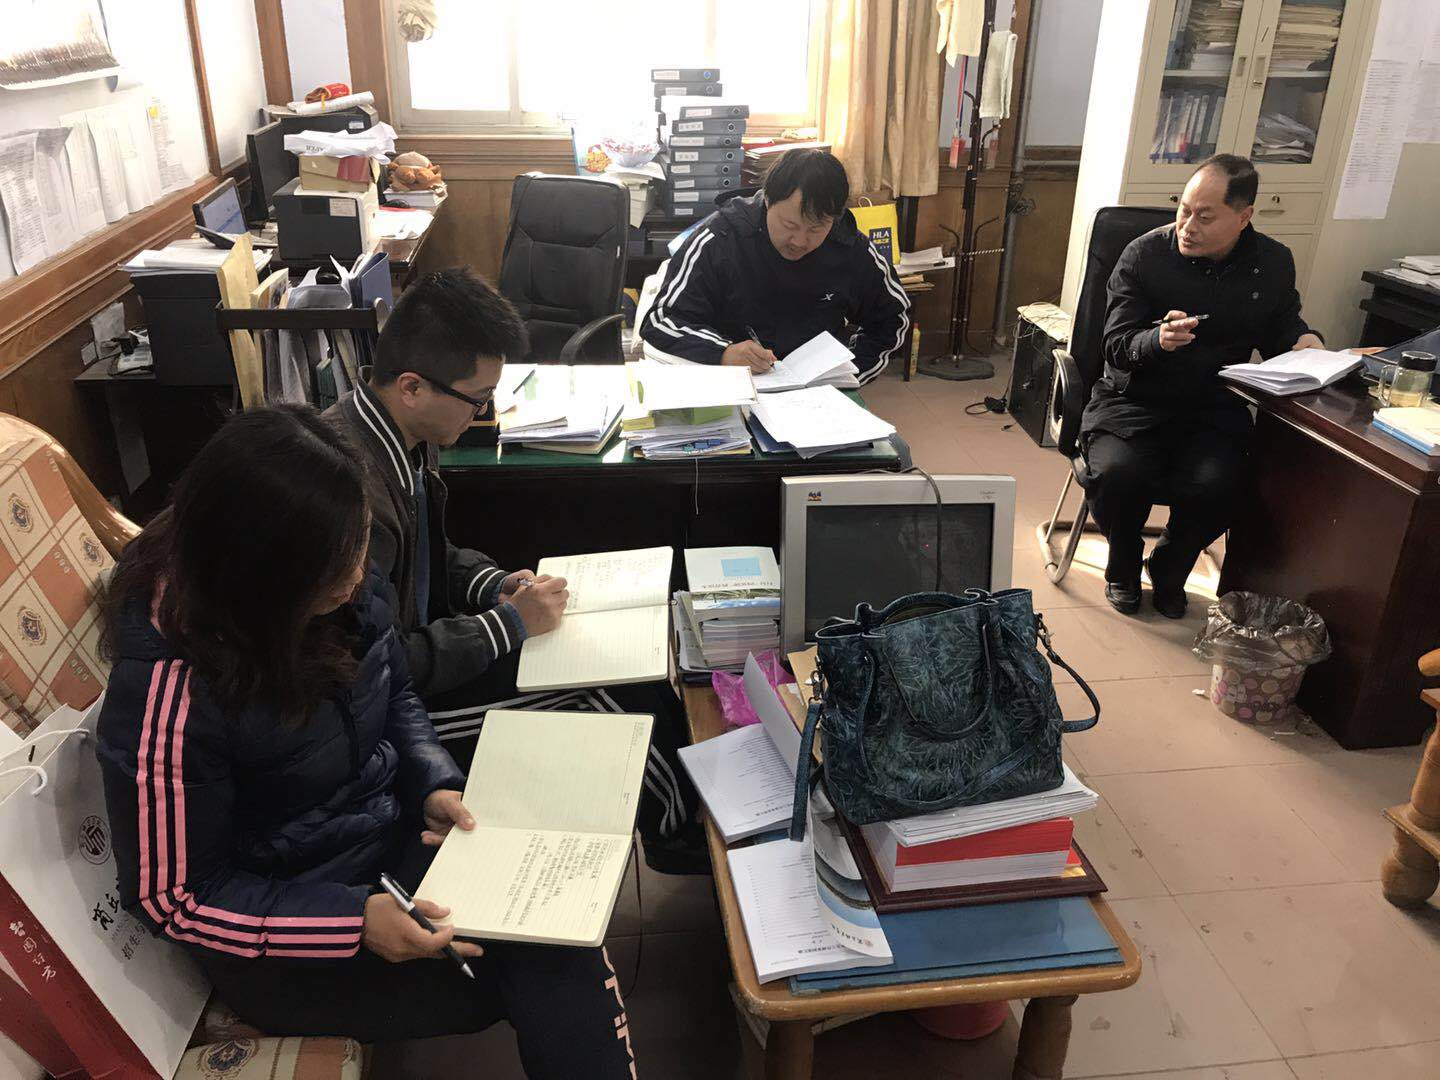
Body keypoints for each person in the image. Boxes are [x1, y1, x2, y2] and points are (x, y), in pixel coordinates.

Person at [95, 407, 637, 1077]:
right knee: (552, 963)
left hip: (386, 848)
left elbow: (394, 688)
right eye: (338, 566)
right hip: (294, 942)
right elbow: (174, 897)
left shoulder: (334, 574)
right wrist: (353, 922)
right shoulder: (171, 692)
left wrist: (431, 780)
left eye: (357, 548)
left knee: (558, 924)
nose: (358, 575)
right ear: (263, 577)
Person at [324, 269, 701, 873]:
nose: (486, 411)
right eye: (478, 398)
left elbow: (433, 557)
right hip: (392, 712)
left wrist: (494, 585)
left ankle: (685, 816)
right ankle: (679, 838)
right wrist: (508, 625)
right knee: (607, 693)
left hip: (417, 668)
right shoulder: (353, 499)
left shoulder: (399, 435)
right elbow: (382, 666)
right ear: (413, 386)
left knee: (635, 668)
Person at [1081, 153, 1323, 619]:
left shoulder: (1272, 262)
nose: (1187, 226)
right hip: (1134, 401)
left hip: (1213, 408)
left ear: (1244, 216)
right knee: (1118, 476)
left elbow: (1282, 328)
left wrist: (1305, 341)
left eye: (1204, 217)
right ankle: (1122, 567)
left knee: (1225, 484)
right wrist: (1156, 340)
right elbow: (1114, 344)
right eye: (1184, 209)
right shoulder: (1144, 255)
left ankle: (1170, 568)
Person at [639, 147, 910, 384]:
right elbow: (662, 319)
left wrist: (849, 374)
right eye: (789, 225)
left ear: (834, 219)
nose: (800, 241)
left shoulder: (850, 247)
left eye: (816, 229)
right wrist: (723, 352)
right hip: (731, 384)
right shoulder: (721, 238)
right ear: (767, 199)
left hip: (815, 393)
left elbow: (893, 318)